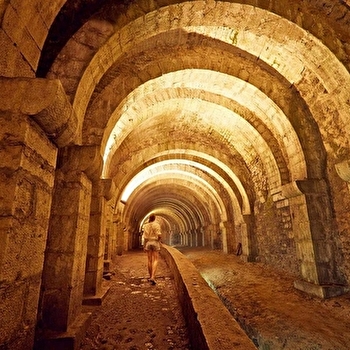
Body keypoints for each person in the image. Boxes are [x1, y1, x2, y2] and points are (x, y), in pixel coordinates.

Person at [143, 214, 162, 285]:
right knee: (156, 259)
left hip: (148, 242)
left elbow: (145, 237)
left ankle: (150, 276)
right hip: (155, 242)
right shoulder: (156, 225)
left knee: (149, 260)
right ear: (154, 218)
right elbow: (159, 235)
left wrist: (144, 246)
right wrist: (159, 240)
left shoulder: (146, 226)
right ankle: (153, 277)